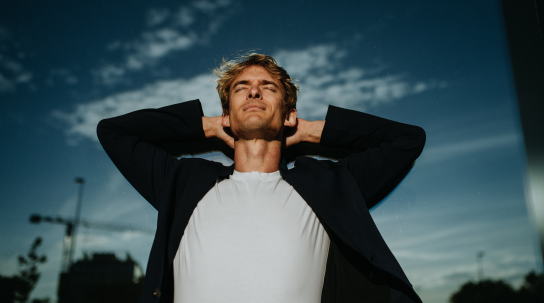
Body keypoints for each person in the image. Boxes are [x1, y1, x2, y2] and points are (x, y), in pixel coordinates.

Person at [97, 53, 426, 303]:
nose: (254, 92)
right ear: (227, 114)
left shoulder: (327, 186)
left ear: (288, 114)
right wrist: (210, 125)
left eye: (267, 87)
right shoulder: (184, 181)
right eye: (242, 88)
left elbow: (407, 140)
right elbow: (113, 132)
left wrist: (309, 131)